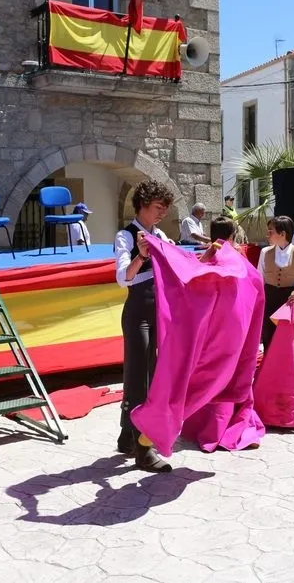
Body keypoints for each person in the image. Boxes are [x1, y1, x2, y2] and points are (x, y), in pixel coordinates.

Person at [114, 179, 176, 472]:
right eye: (157, 208)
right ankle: (142, 450)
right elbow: (122, 278)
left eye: (165, 208)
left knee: (150, 378)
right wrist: (142, 255)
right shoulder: (125, 236)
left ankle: (128, 437)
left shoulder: (160, 234)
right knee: (139, 380)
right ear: (142, 206)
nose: (162, 213)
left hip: (158, 313)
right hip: (138, 311)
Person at [257, 216, 294, 350]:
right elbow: (259, 278)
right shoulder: (265, 252)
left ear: (282, 234)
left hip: (288, 301)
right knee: (268, 336)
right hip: (269, 300)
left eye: (271, 232)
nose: (267, 234)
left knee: (287, 341)